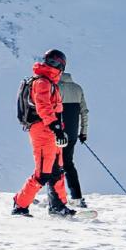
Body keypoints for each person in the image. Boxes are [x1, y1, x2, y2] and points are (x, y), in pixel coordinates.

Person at [12, 49, 77, 218]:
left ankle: (58, 206)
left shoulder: (49, 82)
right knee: (43, 173)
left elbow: (53, 110)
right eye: (50, 60)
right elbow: (43, 108)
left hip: (52, 132)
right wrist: (56, 127)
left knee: (57, 170)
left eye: (55, 62)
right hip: (42, 131)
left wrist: (59, 130)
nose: (52, 64)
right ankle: (20, 204)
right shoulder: (42, 82)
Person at [58, 70, 92, 208]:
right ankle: (77, 197)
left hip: (57, 134)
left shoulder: (54, 87)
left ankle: (55, 198)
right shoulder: (78, 88)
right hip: (72, 134)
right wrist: (83, 132)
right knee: (68, 164)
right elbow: (84, 112)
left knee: (51, 166)